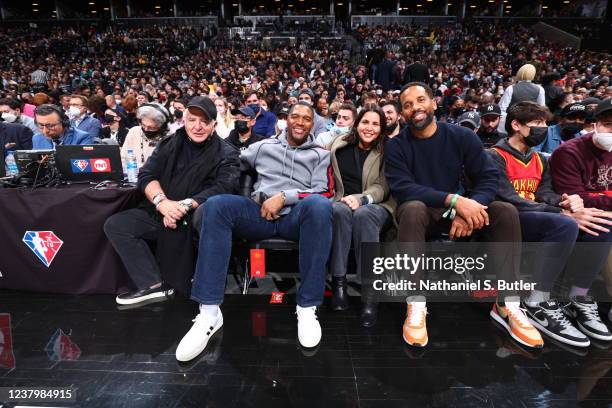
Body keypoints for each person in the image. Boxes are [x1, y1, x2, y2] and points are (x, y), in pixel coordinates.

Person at [385, 82, 543, 349]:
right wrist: (455, 201)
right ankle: (415, 303)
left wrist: (471, 207)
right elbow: (403, 187)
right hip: (425, 212)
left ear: (434, 103)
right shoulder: (396, 145)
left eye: (421, 100)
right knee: (411, 208)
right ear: (402, 114)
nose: (415, 108)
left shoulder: (462, 136)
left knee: (504, 210)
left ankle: (508, 304)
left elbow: (489, 178)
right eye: (408, 105)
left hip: (463, 209)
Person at [175, 102, 334, 361]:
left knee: (320, 205)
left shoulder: (321, 154)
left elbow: (325, 191)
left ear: (312, 123)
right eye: (295, 116)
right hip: (258, 215)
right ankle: (209, 313)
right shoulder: (263, 146)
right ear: (286, 119)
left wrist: (284, 196)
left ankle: (306, 308)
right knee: (216, 205)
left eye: (307, 118)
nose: (300, 122)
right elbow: (230, 159)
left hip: (294, 218)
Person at [104, 96, 239, 306]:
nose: (198, 126)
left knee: (206, 220)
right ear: (184, 121)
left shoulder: (227, 152)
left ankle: (198, 290)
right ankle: (153, 285)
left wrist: (182, 207)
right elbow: (147, 175)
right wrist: (162, 203)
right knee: (118, 225)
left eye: (204, 121)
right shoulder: (170, 143)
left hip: (196, 215)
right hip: (162, 209)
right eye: (192, 120)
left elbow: (223, 187)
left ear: (214, 124)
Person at [488, 101, 599, 347]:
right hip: (507, 218)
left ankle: (568, 297)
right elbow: (508, 197)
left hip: (535, 214)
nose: (543, 128)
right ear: (516, 125)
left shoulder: (539, 159)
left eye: (546, 123)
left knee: (584, 222)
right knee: (565, 224)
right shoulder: (495, 155)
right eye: (537, 123)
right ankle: (537, 299)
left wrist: (564, 201)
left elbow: (545, 192)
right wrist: (557, 211)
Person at [548, 98, 612, 341]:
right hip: (573, 215)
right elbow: (576, 197)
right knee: (603, 224)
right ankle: (578, 297)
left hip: (598, 211)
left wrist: (602, 199)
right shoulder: (569, 152)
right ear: (594, 125)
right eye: (608, 125)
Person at [327, 104, 395, 326]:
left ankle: (369, 292)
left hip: (378, 204)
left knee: (364, 215)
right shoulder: (338, 144)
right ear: (356, 124)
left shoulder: (388, 149)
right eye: (365, 122)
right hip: (343, 202)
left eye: (376, 124)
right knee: (337, 210)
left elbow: (383, 185)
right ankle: (338, 283)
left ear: (382, 129)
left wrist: (363, 198)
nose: (369, 128)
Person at [121, 103, 171, 168]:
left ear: (162, 126)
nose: (146, 129)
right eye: (143, 125)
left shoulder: (170, 139)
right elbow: (123, 158)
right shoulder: (133, 131)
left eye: (151, 127)